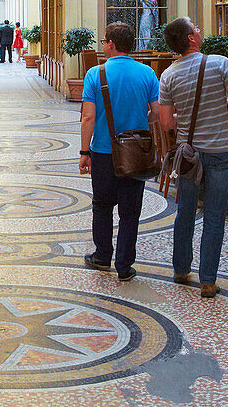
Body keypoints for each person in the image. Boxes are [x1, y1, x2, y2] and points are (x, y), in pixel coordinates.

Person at [159, 17, 228, 298]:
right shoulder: (220, 63)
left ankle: (181, 270)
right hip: (220, 150)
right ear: (191, 38)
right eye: (196, 27)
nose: (200, 30)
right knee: (215, 214)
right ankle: (208, 280)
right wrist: (221, 105)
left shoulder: (169, 75)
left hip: (188, 154)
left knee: (184, 211)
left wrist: (184, 114)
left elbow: (167, 124)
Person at [79, 22, 159, 283]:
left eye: (104, 41)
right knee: (130, 210)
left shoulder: (95, 74)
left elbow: (88, 117)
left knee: (102, 205)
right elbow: (157, 113)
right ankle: (124, 265)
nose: (103, 45)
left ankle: (103, 255)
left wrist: (84, 151)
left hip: (103, 151)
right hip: (135, 152)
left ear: (111, 44)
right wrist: (141, 120)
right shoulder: (147, 73)